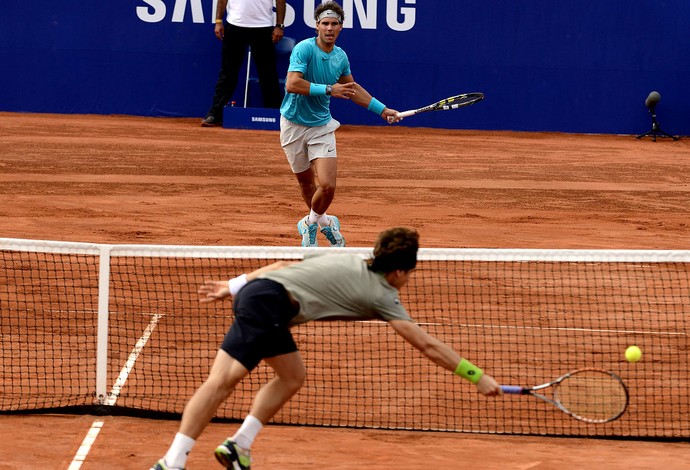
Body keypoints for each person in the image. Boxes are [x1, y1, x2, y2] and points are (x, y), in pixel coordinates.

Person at [150, 227, 502, 470]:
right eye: (409, 273)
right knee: (221, 383)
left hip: (264, 297)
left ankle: (239, 445)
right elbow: (426, 345)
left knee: (291, 377)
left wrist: (233, 284)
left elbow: (281, 266)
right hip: (268, 307)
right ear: (397, 272)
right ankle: (173, 460)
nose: (408, 279)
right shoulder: (384, 296)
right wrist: (476, 376)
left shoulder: (346, 259)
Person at [279, 1, 402, 247]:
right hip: (292, 125)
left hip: (322, 127)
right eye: (325, 23)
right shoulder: (304, 49)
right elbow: (292, 84)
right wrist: (328, 89)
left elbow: (351, 89)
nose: (329, 28)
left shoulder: (340, 56)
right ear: (317, 26)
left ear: (340, 27)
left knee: (327, 186)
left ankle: (309, 223)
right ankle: (323, 222)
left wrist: (382, 110)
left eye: (334, 24)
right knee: (306, 184)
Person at [201, 0, 286, 127]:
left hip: (263, 27)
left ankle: (275, 114)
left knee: (268, 74)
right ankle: (215, 113)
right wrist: (218, 21)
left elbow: (280, 1)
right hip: (235, 25)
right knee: (227, 73)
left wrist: (279, 25)